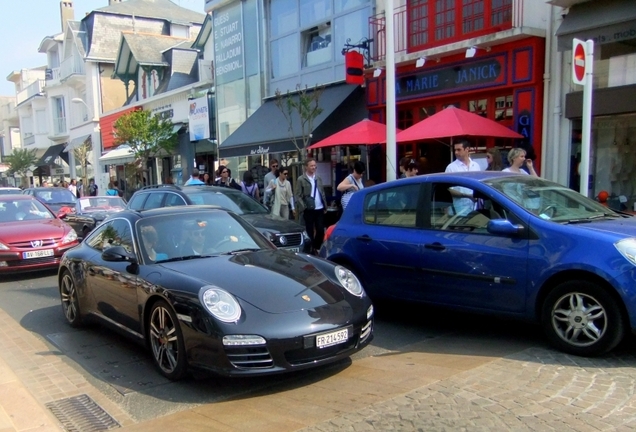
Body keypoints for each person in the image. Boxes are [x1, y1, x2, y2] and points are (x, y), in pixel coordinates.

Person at [295, 158, 327, 254]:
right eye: (311, 165)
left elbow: (322, 192)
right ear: (306, 167)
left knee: (320, 229)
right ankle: (311, 249)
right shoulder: (301, 179)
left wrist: (325, 205)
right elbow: (298, 195)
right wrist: (303, 206)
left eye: (314, 165)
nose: (314, 167)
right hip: (309, 208)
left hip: (319, 207)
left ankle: (316, 246)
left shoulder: (318, 177)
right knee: (309, 230)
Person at [445, 140, 481, 215]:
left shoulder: (476, 166)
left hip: (475, 209)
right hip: (458, 210)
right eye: (455, 150)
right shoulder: (451, 168)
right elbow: (446, 190)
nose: (456, 152)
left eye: (459, 150)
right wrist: (467, 196)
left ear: (467, 149)